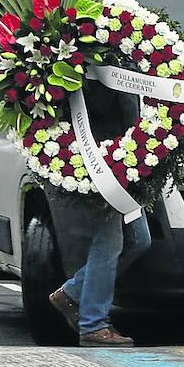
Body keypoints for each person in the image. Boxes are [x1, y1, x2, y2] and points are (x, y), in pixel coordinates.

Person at [47, 81, 153, 347]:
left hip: (124, 157)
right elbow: (98, 104)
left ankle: (71, 293)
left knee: (139, 239)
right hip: (100, 160)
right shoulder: (92, 59)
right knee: (109, 242)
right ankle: (94, 324)